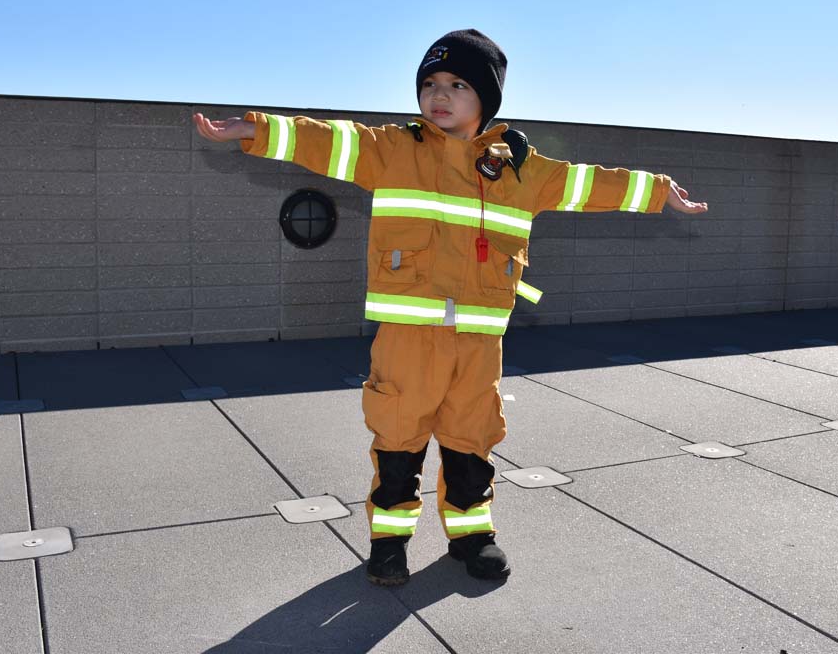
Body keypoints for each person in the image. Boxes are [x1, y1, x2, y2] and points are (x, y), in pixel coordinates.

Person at [192, 29, 708, 586]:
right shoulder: (392, 151)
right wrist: (255, 128)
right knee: (398, 438)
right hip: (409, 337)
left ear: (486, 98)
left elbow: (589, 184)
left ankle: (472, 537)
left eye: (457, 84)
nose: (439, 94)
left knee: (472, 437)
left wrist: (659, 190)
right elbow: (324, 141)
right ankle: (389, 543)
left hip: (479, 343)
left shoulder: (521, 170)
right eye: (430, 84)